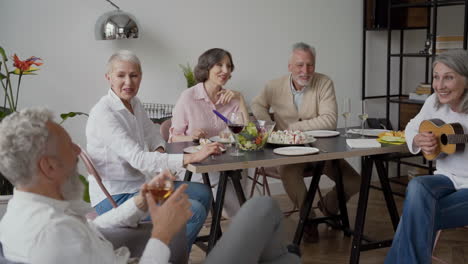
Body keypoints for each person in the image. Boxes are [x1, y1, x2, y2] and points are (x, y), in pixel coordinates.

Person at [0, 108, 301, 264]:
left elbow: (94, 230)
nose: (78, 153)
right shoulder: (51, 236)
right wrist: (161, 232)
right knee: (262, 207)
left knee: (279, 254)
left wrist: (142, 201)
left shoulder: (26, 212)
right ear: (48, 166)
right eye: (69, 147)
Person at [86, 50, 223, 248]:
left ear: (140, 77)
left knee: (203, 193)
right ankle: (166, 255)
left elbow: (153, 134)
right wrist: (189, 159)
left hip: (139, 188)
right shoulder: (104, 113)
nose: (128, 82)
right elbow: (138, 159)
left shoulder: (134, 103)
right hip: (116, 197)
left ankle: (172, 248)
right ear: (109, 78)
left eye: (134, 75)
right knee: (193, 211)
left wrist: (159, 150)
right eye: (121, 75)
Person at [251, 42, 361, 243]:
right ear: (290, 67)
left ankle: (327, 207)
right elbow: (257, 104)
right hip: (288, 152)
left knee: (354, 181)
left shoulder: (324, 82)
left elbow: (330, 120)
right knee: (289, 173)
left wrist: (293, 128)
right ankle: (308, 219)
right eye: (300, 65)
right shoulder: (273, 86)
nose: (305, 71)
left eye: (310, 65)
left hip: (321, 150)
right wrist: (267, 126)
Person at [385, 50, 468, 263]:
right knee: (418, 187)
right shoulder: (434, 102)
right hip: (447, 181)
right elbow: (412, 127)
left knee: (416, 214)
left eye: (448, 77)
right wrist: (418, 140)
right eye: (436, 77)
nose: (439, 85)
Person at [170, 48, 249, 217]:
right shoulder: (188, 97)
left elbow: (246, 135)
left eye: (229, 66)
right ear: (207, 68)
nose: (225, 70)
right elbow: (173, 138)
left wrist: (240, 98)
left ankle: (242, 228)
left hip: (230, 163)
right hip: (199, 166)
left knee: (241, 205)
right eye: (219, 65)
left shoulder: (232, 97)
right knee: (241, 210)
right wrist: (192, 137)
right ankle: (242, 228)